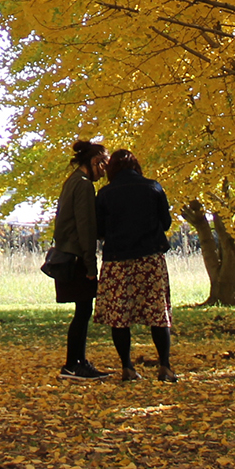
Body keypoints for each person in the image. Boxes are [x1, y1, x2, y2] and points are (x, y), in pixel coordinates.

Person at [93, 148, 176, 383]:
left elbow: (99, 231)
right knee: (158, 313)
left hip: (118, 260)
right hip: (150, 259)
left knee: (120, 315)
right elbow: (166, 222)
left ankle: (127, 368)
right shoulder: (153, 187)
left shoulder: (105, 194)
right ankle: (165, 366)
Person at [52, 139, 107, 380]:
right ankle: (74, 364)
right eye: (104, 164)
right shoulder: (84, 185)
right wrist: (91, 264)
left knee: (82, 311)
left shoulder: (71, 181)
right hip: (77, 257)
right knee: (83, 311)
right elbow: (85, 226)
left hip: (68, 252)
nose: (105, 171)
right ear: (94, 162)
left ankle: (77, 361)